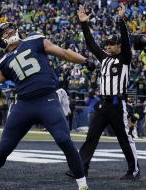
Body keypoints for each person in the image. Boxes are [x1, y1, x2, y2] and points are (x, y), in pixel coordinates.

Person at [0, 22, 94, 190]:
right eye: (5, 33)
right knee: (4, 147)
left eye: (11, 29)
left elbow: (62, 53)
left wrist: (84, 61)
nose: (10, 32)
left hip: (47, 99)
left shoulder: (35, 40)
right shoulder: (4, 62)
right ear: (0, 41)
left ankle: (83, 186)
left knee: (64, 140)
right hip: (24, 105)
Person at [65, 4, 140, 180]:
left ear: (120, 46)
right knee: (91, 136)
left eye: (112, 44)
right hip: (103, 103)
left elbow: (126, 42)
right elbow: (91, 44)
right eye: (107, 43)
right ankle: (81, 168)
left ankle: (134, 170)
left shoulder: (125, 58)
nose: (108, 46)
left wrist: (121, 20)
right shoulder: (104, 58)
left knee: (124, 139)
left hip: (116, 103)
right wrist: (84, 24)